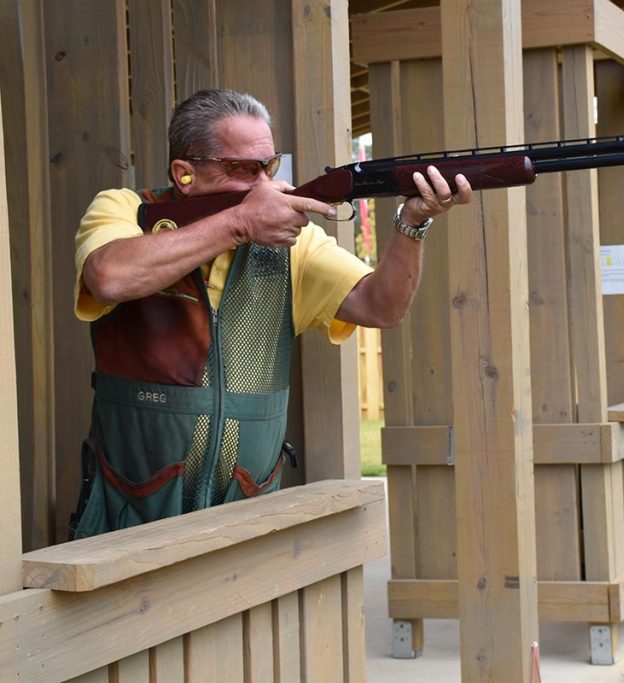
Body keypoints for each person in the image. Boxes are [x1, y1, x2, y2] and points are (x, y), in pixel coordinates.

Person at [70, 89, 471, 538]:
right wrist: (239, 223)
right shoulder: (124, 209)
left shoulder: (290, 245)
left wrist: (411, 225)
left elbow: (381, 306)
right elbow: (109, 277)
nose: (264, 185)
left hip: (246, 515)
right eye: (243, 169)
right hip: (128, 512)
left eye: (270, 166)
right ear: (184, 174)